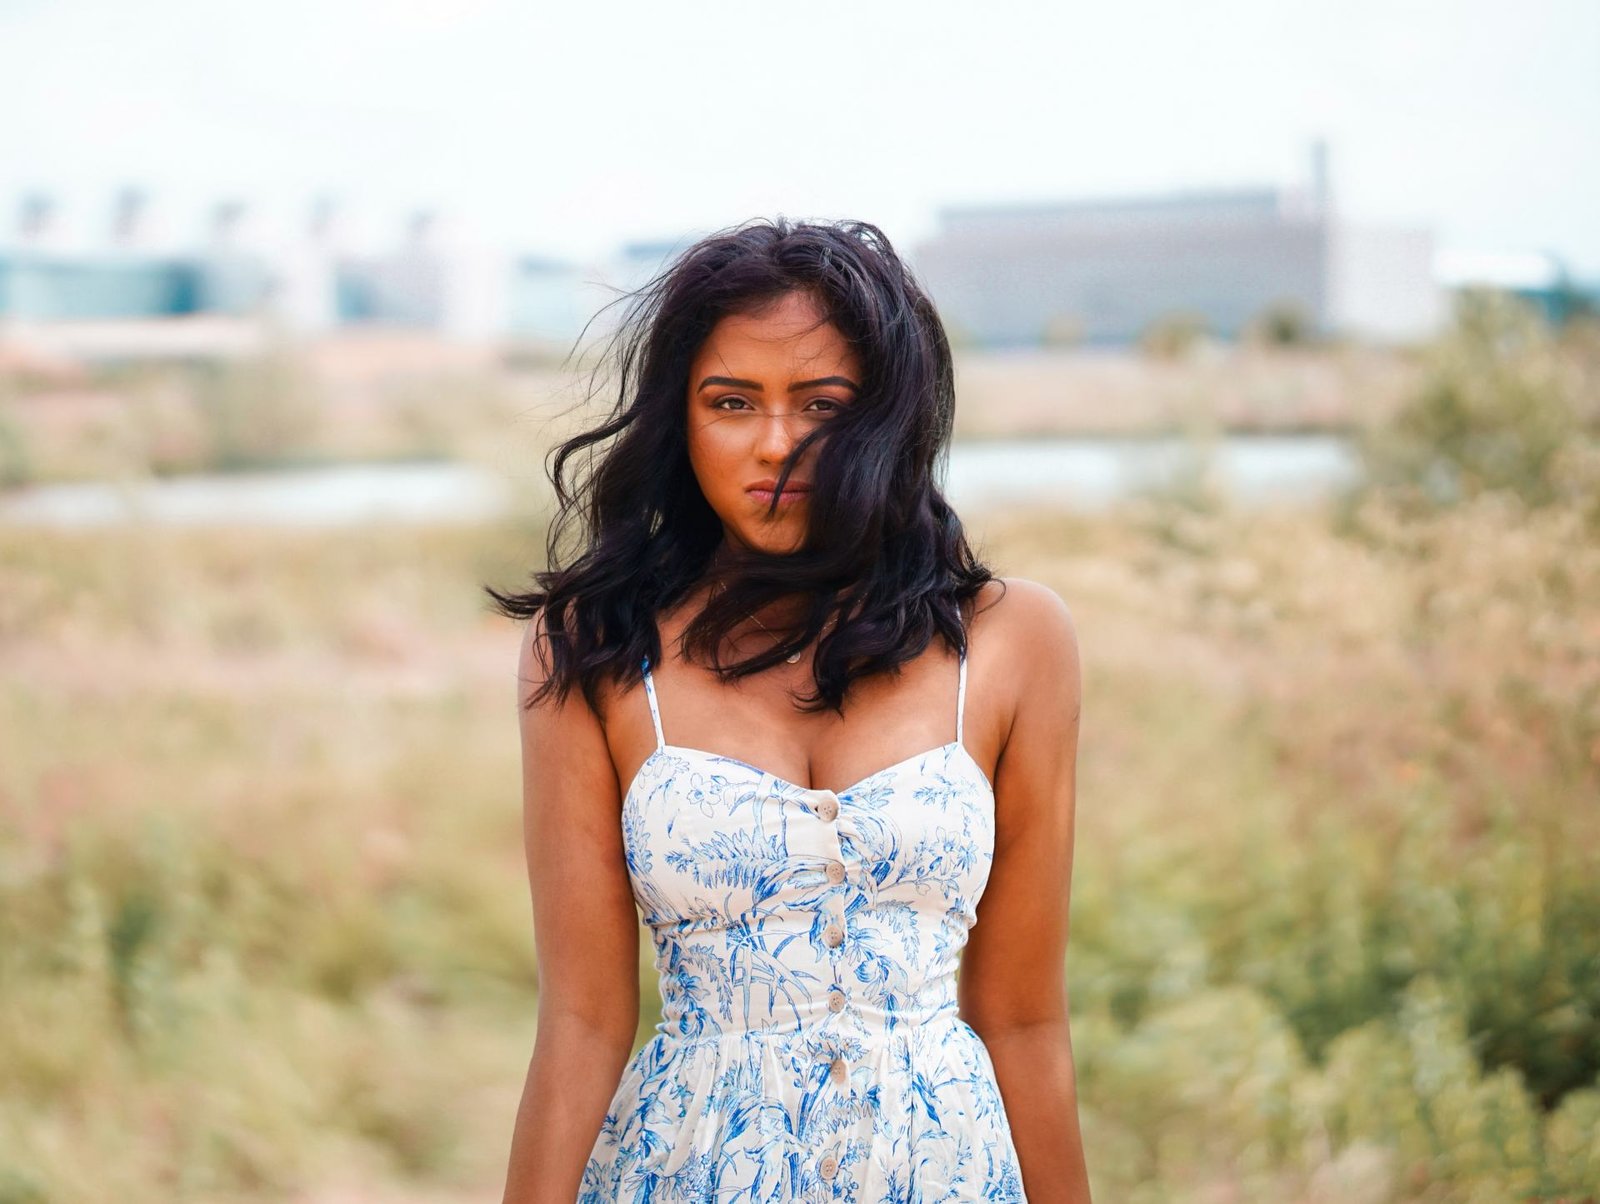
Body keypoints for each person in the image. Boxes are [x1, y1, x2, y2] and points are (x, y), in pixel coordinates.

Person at [488, 217, 1090, 1202]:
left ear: (887, 417)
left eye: (822, 404)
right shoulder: (595, 649)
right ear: (680, 422)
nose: (776, 443)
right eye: (731, 402)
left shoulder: (1015, 640)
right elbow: (584, 1022)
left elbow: (1023, 1020)